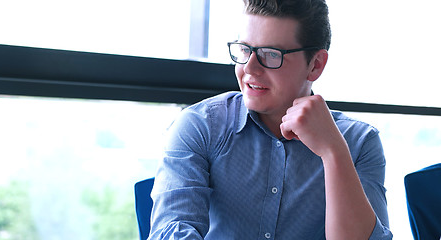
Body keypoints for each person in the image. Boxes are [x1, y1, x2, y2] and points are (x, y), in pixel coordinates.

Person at [148, 0, 393, 239]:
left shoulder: (360, 143)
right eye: (244, 49)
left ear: (315, 65)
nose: (250, 68)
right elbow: (172, 231)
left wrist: (334, 152)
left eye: (270, 54)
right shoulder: (200, 126)